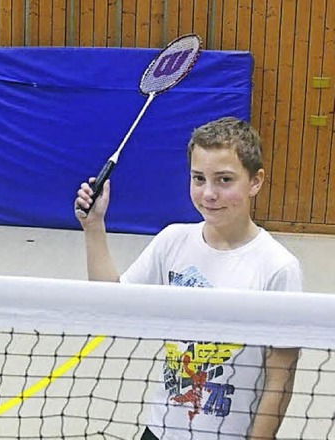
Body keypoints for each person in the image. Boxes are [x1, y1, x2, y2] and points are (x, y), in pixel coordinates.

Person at [74, 117, 302, 439]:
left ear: (255, 181)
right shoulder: (173, 240)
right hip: (160, 429)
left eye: (224, 180)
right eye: (198, 178)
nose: (209, 193)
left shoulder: (278, 267)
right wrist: (94, 228)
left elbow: (281, 377)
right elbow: (111, 309)